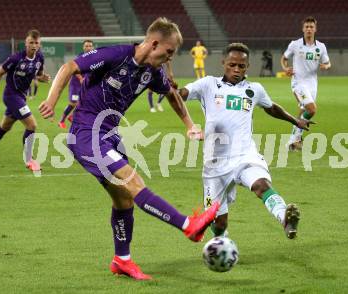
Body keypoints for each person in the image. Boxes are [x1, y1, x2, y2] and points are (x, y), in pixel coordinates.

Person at [38, 17, 219, 281]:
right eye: (168, 52)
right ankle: (187, 225)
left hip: (110, 135)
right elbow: (69, 67)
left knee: (123, 199)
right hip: (86, 133)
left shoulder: (152, 73)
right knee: (132, 180)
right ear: (154, 43)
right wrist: (51, 100)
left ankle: (122, 260)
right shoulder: (116, 55)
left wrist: (189, 124)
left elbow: (170, 94)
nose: (169, 59)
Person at [179, 43, 312, 240]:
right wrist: (172, 89)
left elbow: (271, 107)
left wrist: (295, 120)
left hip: (245, 155)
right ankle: (221, 242)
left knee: (261, 185)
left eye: (241, 66)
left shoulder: (254, 89)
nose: (236, 69)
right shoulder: (208, 84)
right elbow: (181, 94)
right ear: (223, 63)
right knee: (218, 222)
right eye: (232, 64)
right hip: (214, 164)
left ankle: (285, 216)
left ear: (247, 66)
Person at [0, 29, 50, 171]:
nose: (34, 45)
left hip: (21, 97)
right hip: (11, 96)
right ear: (26, 43)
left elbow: (39, 75)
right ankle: (29, 160)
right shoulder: (16, 58)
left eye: (36, 42)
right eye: (31, 42)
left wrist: (43, 78)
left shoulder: (40, 58)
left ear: (39, 44)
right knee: (32, 125)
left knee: (5, 126)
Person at [280, 16, 331, 151]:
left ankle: (294, 141)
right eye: (307, 27)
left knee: (303, 111)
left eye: (311, 27)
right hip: (298, 83)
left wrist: (326, 66)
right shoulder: (295, 44)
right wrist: (285, 68)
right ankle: (294, 140)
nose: (309, 29)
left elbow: (327, 62)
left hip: (313, 84)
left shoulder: (321, 47)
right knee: (311, 109)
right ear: (303, 29)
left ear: (315, 29)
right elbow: (284, 58)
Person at [58, 39, 95, 128]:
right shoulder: (80, 57)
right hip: (76, 84)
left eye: (90, 46)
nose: (88, 48)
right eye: (86, 46)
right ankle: (61, 121)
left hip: (85, 84)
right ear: (83, 47)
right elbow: (75, 71)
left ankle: (72, 117)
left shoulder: (94, 58)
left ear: (93, 47)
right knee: (73, 103)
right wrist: (81, 79)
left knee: (85, 103)